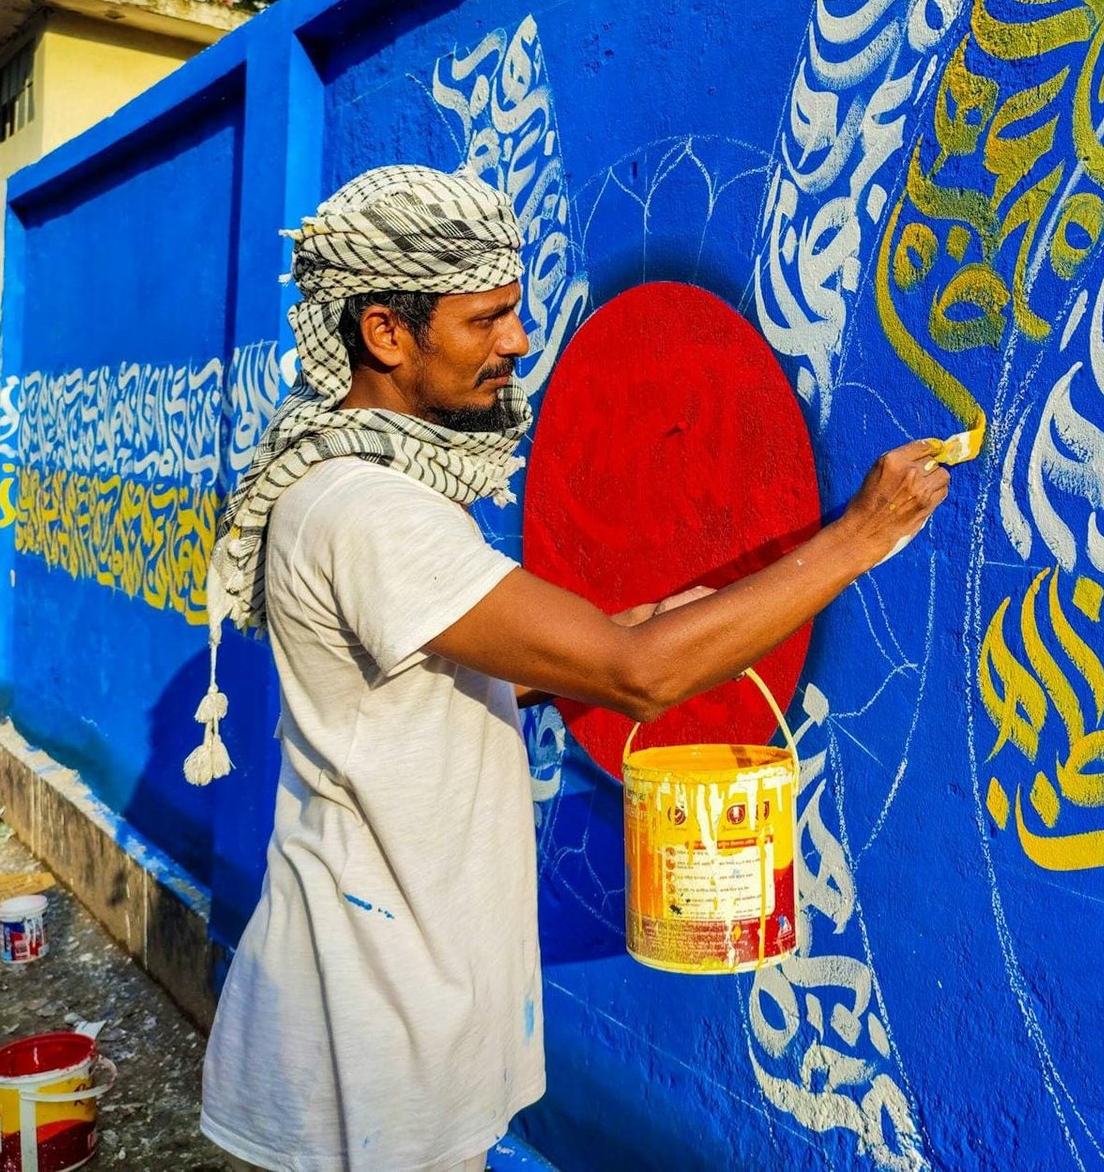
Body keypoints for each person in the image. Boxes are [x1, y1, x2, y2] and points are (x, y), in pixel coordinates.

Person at [194, 165, 950, 1172]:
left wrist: (646, 621)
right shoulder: (372, 512)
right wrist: (860, 535)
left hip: (393, 1017)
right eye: (485, 320)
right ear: (385, 333)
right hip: (367, 1044)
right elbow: (639, 678)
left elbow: (449, 682)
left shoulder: (357, 490)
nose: (517, 342)